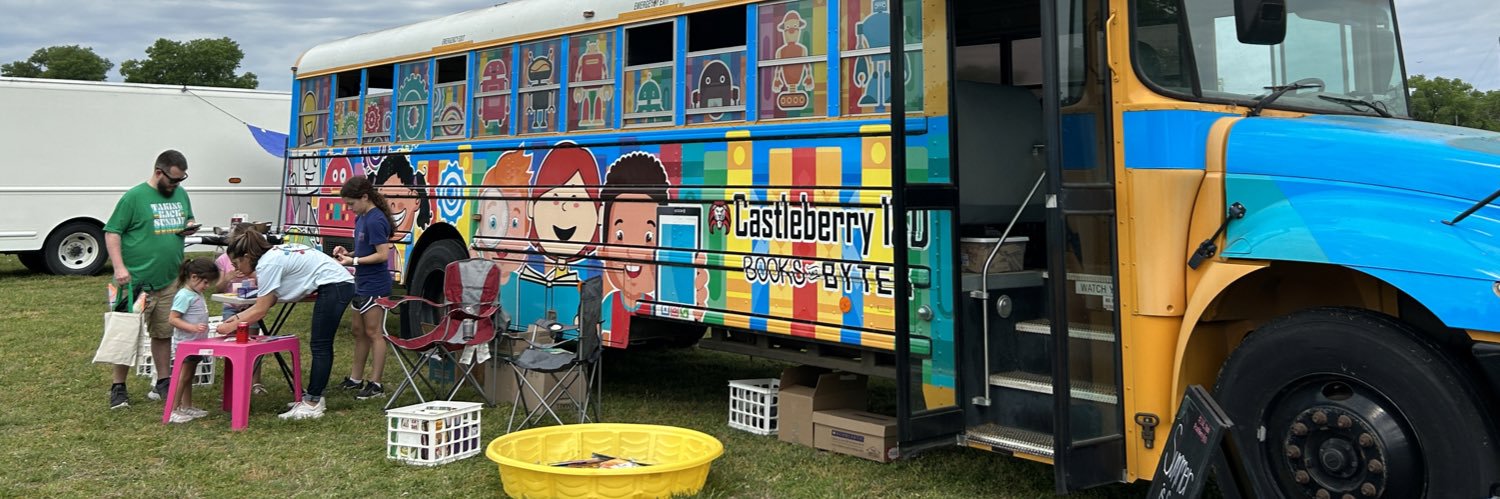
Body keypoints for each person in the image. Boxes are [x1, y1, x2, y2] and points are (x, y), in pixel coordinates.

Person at [216, 227, 354, 420]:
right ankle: (313, 397)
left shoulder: (267, 264)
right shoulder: (273, 254)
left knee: (320, 344)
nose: (236, 268)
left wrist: (229, 325)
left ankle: (312, 402)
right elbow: (269, 299)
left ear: (247, 256)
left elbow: (261, 309)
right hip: (338, 283)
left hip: (335, 285)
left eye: (236, 263)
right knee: (321, 344)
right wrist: (236, 319)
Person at [103, 150, 197, 409]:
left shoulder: (180, 194)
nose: (177, 185)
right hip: (134, 282)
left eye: (181, 180)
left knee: (163, 332)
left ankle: (163, 382)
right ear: (159, 172)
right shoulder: (134, 197)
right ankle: (118, 387)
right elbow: (112, 232)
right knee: (126, 333)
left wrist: (189, 224)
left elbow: (187, 216)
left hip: (169, 280)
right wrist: (120, 268)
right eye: (173, 180)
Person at [331, 176, 395, 400]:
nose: (349, 208)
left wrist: (353, 262)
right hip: (362, 283)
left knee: (374, 333)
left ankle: (376, 383)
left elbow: (382, 254)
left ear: (365, 197)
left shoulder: (375, 220)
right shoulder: (362, 217)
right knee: (358, 331)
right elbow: (365, 249)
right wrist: (348, 253)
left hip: (376, 284)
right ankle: (355, 378)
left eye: (351, 203)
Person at [166, 257, 220, 423]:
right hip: (186, 344)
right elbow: (173, 319)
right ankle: (173, 409)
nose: (207, 286)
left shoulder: (196, 293)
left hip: (196, 343)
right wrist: (192, 328)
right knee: (183, 376)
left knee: (190, 376)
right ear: (194, 277)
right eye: (205, 282)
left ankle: (186, 406)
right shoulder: (184, 295)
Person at [215, 223, 264, 394]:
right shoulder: (223, 260)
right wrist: (228, 277)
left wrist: (252, 275)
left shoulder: (258, 261)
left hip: (251, 306)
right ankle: (233, 383)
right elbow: (218, 287)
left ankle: (255, 382)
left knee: (252, 343)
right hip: (231, 307)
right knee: (232, 345)